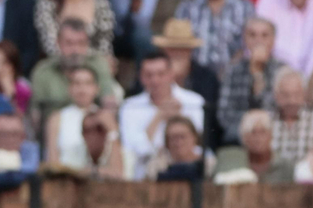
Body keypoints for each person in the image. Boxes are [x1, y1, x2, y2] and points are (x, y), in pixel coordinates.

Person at [118, 50, 206, 179]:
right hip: (145, 177)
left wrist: (179, 118)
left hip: (187, 172)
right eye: (149, 75)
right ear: (141, 77)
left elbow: (197, 146)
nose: (155, 80)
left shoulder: (194, 101)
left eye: (161, 74)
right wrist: (159, 116)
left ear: (171, 74)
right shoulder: (130, 106)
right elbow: (134, 152)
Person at [175, 0, 253, 76]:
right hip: (196, 77)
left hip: (234, 77)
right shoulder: (186, 8)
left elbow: (250, 45)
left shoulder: (245, 7)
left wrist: (230, 70)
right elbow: (178, 47)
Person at [216, 16, 281, 144]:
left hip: (274, 139)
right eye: (252, 35)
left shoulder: (282, 71)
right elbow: (224, 115)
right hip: (238, 138)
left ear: (273, 40)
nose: (258, 41)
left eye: (264, 35)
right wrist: (250, 131)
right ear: (245, 39)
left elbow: (278, 112)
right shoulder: (232, 70)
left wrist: (257, 74)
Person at [42, 63, 102, 167]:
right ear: (69, 88)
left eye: (88, 83)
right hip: (65, 178)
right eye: (76, 83)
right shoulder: (56, 118)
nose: (82, 88)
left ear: (96, 88)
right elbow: (52, 158)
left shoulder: (105, 117)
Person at [213, 108, 294, 183]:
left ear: (270, 135)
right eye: (252, 132)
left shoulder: (285, 166)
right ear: (244, 137)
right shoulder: (229, 161)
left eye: (263, 132)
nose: (258, 138)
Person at [266, 68, 313, 164]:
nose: (291, 101)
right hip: (275, 177)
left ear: (304, 94)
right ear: (276, 95)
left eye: (296, 94)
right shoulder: (266, 122)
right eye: (285, 95)